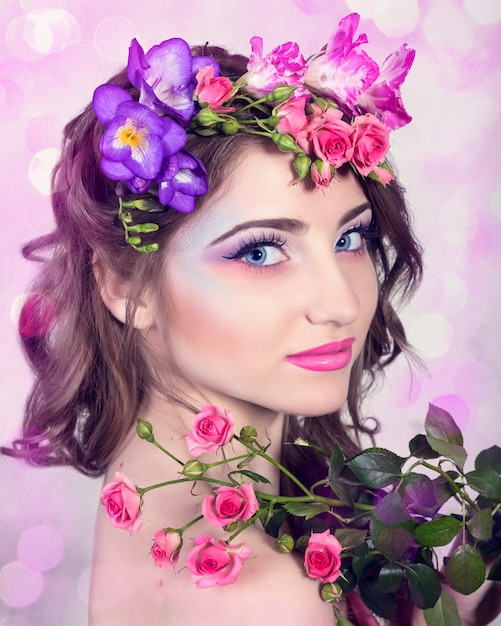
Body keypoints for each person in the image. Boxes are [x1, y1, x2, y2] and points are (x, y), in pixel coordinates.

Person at [2, 13, 499, 626]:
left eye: (352, 239)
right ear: (123, 284)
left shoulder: (149, 495)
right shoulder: (263, 595)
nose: (342, 304)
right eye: (260, 251)